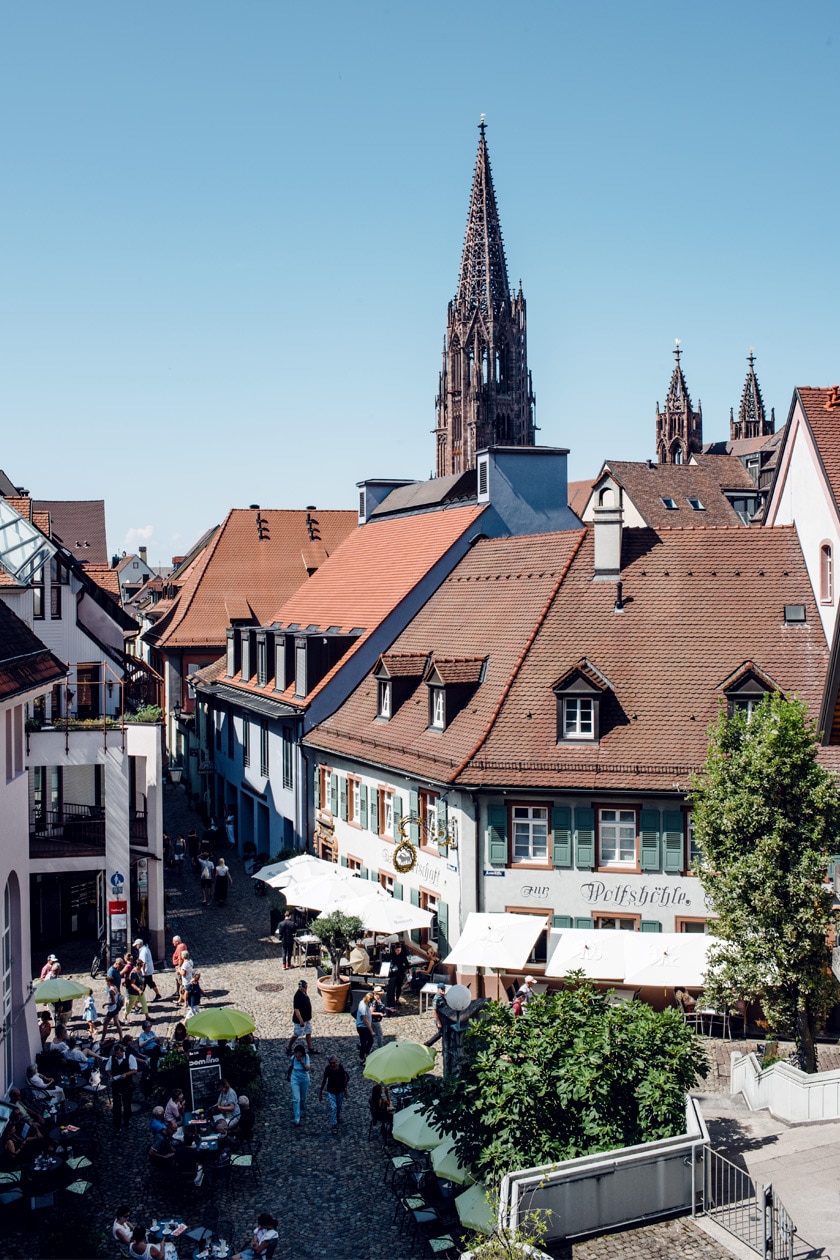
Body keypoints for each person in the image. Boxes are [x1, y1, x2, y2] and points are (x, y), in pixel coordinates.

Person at [105, 1041, 139, 1134]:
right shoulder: (112, 1058)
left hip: (127, 1084)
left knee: (127, 1104)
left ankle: (127, 1122)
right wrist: (110, 1075)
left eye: (118, 1053)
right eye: (115, 1053)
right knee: (116, 1106)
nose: (117, 1055)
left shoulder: (129, 1057)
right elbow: (107, 1069)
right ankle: (117, 1127)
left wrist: (126, 1074)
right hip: (116, 1085)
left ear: (122, 1052)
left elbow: (135, 1070)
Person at [319, 1055, 350, 1134]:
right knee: (333, 1107)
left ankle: (337, 1116)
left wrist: (345, 1089)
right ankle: (334, 1125)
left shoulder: (340, 1068)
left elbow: (345, 1078)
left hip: (340, 1090)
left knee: (338, 1106)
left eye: (333, 1063)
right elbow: (324, 1080)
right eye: (330, 1063)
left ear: (336, 1062)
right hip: (331, 1091)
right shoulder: (328, 1069)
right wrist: (321, 1091)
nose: (332, 1065)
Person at [287, 979, 316, 1054]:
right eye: (305, 987)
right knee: (296, 1034)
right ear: (301, 987)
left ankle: (310, 1048)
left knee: (308, 1032)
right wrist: (301, 1020)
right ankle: (289, 1047)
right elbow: (296, 1009)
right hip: (300, 1020)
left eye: (306, 986)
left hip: (307, 1018)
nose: (306, 988)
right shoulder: (297, 996)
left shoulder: (304, 993)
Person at [289, 1042, 310, 1127]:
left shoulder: (306, 1057)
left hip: (304, 1079)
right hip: (295, 1079)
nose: (298, 1054)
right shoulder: (293, 1058)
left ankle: (302, 1110)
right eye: (297, 1053)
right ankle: (297, 1118)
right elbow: (291, 1066)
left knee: (303, 1097)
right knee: (296, 1098)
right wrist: (288, 1075)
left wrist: (301, 1062)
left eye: (300, 1053)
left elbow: (307, 1069)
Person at [385, 940, 410, 1011]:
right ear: (395, 949)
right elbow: (387, 963)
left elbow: (407, 964)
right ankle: (391, 999)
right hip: (393, 973)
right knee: (392, 986)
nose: (398, 951)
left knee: (399, 986)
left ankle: (397, 999)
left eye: (399, 950)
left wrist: (409, 972)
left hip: (400, 973)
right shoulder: (391, 955)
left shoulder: (402, 955)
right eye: (397, 950)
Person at [355, 991, 375, 1065]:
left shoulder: (363, 1003)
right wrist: (371, 1031)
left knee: (370, 1041)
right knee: (364, 1043)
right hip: (362, 1027)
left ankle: (365, 1054)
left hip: (365, 1027)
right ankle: (362, 1058)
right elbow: (365, 1020)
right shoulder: (363, 1006)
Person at [171, 936, 188, 1001]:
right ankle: (178, 991)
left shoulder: (180, 947)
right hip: (179, 966)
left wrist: (179, 967)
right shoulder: (182, 945)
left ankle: (183, 995)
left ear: (177, 942)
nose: (172, 943)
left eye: (174, 941)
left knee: (180, 981)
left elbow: (180, 958)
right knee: (177, 979)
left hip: (179, 966)